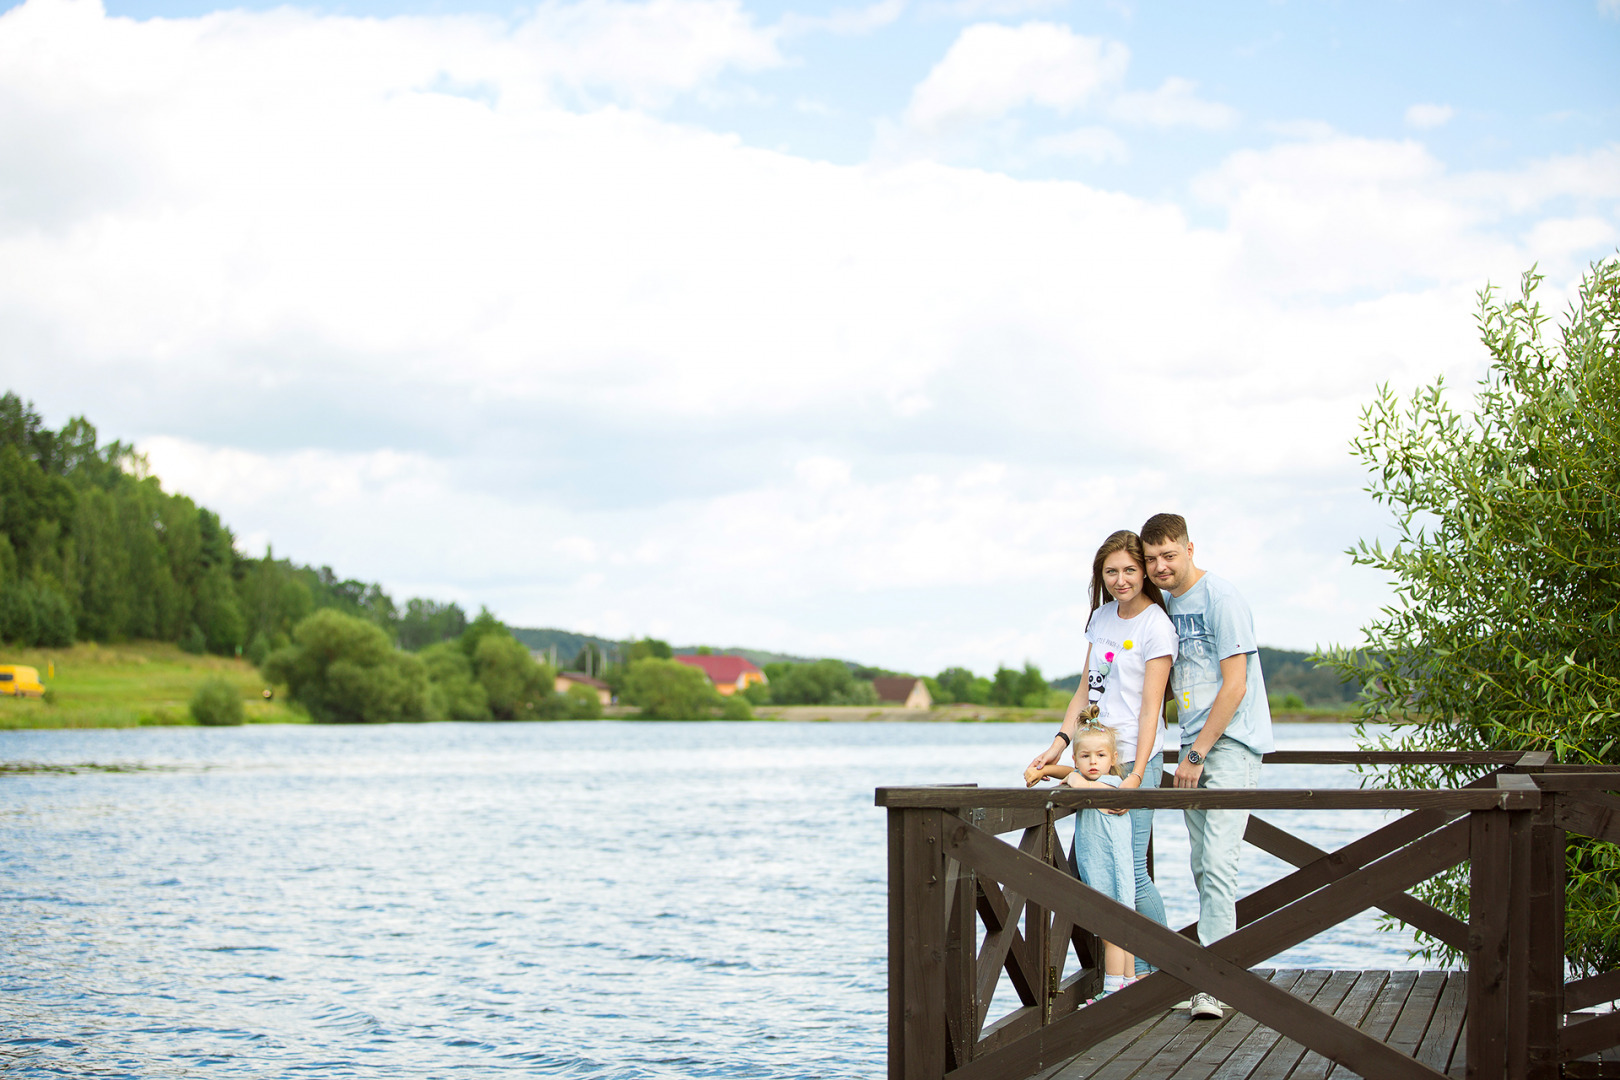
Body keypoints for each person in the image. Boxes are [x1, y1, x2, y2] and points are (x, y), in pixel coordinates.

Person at [1140, 512, 1273, 1021]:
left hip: (1230, 745)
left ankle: (1216, 984)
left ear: (1190, 549)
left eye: (1168, 556)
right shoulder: (1166, 604)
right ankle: (1210, 973)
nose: (1159, 567)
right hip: (1192, 746)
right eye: (1151, 560)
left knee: (1219, 862)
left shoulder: (1223, 599)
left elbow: (1235, 685)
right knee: (1202, 864)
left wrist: (1195, 754)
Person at [1028, 530, 1175, 975]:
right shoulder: (1102, 619)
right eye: (1110, 571)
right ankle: (1132, 973)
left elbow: (1152, 709)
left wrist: (1133, 777)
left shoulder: (1156, 626)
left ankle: (1167, 970)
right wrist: (1057, 744)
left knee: (1131, 872)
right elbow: (1084, 694)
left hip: (1135, 761)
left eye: (1129, 569)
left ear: (1144, 572)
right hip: (1095, 757)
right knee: (1096, 870)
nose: (1120, 579)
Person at [1024, 723, 1136, 998]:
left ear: (1113, 759)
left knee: (1112, 933)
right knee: (1121, 930)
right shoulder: (1089, 780)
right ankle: (1129, 982)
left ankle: (1112, 990)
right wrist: (1046, 770)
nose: (1093, 761)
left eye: (1100, 756)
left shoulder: (1112, 786)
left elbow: (1084, 785)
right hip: (1102, 867)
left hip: (1112, 869)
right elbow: (1074, 776)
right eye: (1085, 756)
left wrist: (1076, 780)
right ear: (1075, 759)